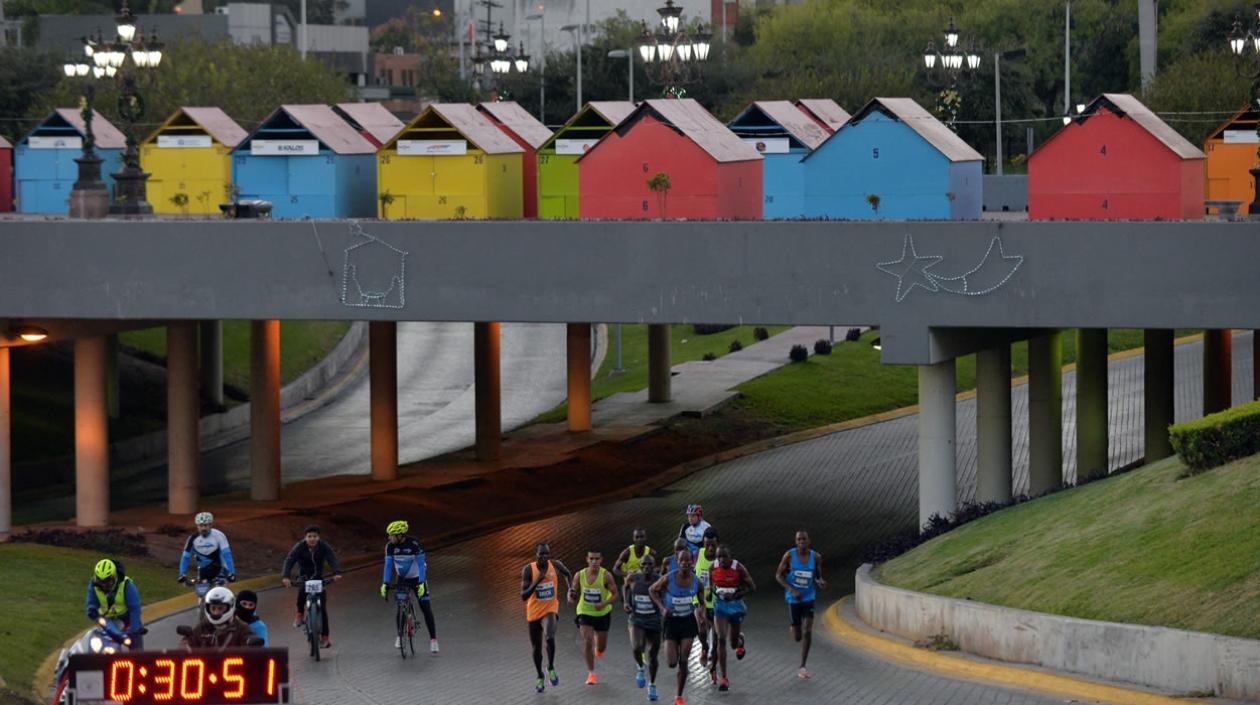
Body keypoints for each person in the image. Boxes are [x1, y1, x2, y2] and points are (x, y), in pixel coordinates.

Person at [650, 549, 705, 705]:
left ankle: (679, 696)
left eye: (688, 561)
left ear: (692, 562)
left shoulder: (697, 582)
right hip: (671, 622)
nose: (685, 563)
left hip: (688, 622)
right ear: (678, 561)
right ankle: (673, 653)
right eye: (682, 560)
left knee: (684, 660)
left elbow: (702, 601)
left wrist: (701, 614)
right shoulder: (669, 578)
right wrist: (662, 608)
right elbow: (652, 590)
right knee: (672, 662)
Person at [380, 520, 439, 653]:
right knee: (400, 607)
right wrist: (385, 583)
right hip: (402, 578)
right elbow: (388, 566)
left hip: (417, 577)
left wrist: (422, 582)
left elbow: (421, 565)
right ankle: (400, 635)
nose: (389, 537)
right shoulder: (390, 546)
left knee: (425, 607)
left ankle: (433, 639)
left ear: (400, 535)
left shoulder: (414, 544)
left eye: (391, 535)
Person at [775, 530, 827, 679]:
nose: (802, 542)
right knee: (798, 636)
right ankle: (793, 626)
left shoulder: (816, 557)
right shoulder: (789, 556)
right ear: (796, 542)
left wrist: (820, 582)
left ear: (809, 541)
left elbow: (817, 576)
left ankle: (803, 666)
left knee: (807, 630)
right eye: (799, 540)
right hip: (794, 598)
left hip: (809, 597)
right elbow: (778, 575)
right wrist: (791, 589)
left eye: (804, 539)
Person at [521, 543, 573, 693]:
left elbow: (567, 573)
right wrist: (537, 580)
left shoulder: (555, 565)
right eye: (541, 554)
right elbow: (523, 595)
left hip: (550, 609)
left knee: (550, 637)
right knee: (536, 648)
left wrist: (571, 589)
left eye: (546, 554)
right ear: (536, 555)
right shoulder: (528, 570)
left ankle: (550, 666)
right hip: (533, 613)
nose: (544, 557)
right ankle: (539, 675)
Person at [281, 524, 343, 649]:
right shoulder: (299, 547)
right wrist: (286, 576)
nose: (312, 539)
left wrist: (336, 572)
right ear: (305, 538)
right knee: (302, 591)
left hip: (319, 579)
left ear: (318, 537)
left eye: (315, 536)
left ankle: (325, 638)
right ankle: (299, 613)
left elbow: (332, 558)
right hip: (304, 578)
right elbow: (290, 560)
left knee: (323, 610)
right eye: (309, 536)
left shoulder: (324, 546)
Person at [709, 545, 756, 691]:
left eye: (724, 557)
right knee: (721, 639)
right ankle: (724, 678)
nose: (722, 560)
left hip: (736, 606)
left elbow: (752, 587)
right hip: (720, 606)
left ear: (731, 557)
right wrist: (711, 592)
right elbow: (711, 582)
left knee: (733, 644)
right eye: (719, 557)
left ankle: (740, 642)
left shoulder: (738, 568)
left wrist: (736, 595)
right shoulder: (713, 567)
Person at [571, 549, 618, 685]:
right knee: (587, 641)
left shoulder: (606, 576)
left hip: (602, 613)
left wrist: (604, 603)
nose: (594, 562)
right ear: (587, 559)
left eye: (597, 559)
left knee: (601, 647)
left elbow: (615, 594)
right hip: (585, 612)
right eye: (591, 559)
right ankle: (591, 673)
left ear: (601, 560)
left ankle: (599, 647)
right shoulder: (580, 575)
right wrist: (570, 596)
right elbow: (573, 590)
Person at [622, 553, 662, 701]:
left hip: (654, 620)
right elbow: (625, 587)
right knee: (637, 647)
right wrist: (626, 602)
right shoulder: (633, 578)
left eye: (650, 565)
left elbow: (666, 595)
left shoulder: (659, 581)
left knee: (653, 655)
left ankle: (652, 684)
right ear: (640, 567)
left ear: (654, 567)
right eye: (644, 565)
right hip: (637, 619)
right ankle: (640, 667)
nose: (646, 567)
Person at [85, 559, 144, 649]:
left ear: (115, 576)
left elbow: (135, 609)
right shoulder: (93, 586)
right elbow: (91, 604)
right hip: (108, 622)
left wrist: (134, 629)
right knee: (106, 647)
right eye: (101, 582)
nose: (104, 585)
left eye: (108, 581)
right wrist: (92, 611)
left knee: (136, 648)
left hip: (128, 619)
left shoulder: (126, 585)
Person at [180, 586, 262, 649]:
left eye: (220, 608)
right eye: (213, 608)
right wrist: (187, 640)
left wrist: (250, 641)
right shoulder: (202, 627)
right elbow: (186, 645)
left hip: (232, 669)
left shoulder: (242, 628)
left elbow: (249, 638)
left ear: (230, 607)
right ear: (207, 608)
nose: (216, 612)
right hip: (206, 669)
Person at [176, 512, 236, 585]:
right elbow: (185, 557)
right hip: (203, 572)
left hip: (221, 571)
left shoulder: (219, 536)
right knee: (201, 594)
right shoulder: (192, 539)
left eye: (205, 525)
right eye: (201, 526)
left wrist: (231, 573)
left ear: (210, 525)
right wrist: (182, 574)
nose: (203, 528)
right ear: (197, 526)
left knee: (220, 593)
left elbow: (227, 555)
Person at [692, 528, 719, 680]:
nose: (710, 548)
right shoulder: (697, 555)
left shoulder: (721, 558)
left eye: (713, 545)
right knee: (701, 627)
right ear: (703, 543)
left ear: (717, 544)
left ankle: (714, 669)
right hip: (699, 599)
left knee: (715, 640)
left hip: (715, 602)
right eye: (707, 544)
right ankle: (703, 647)